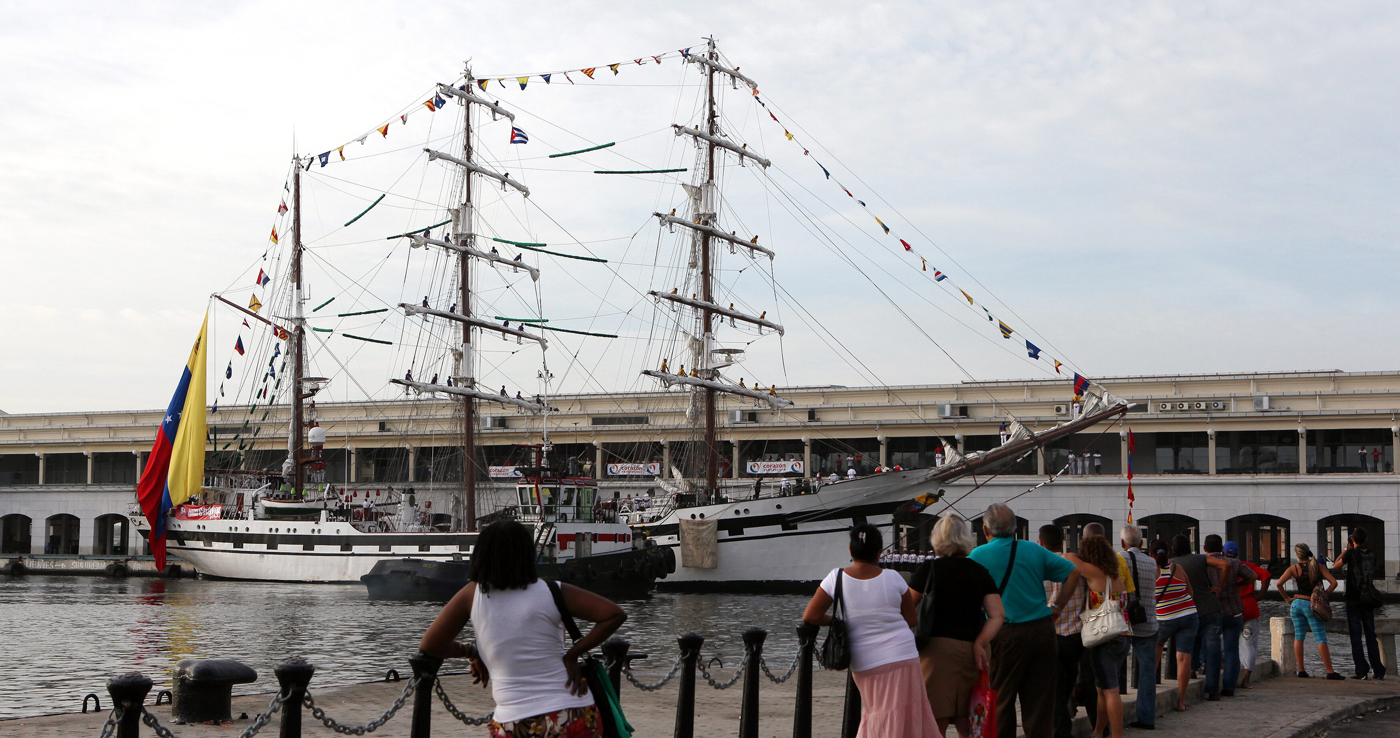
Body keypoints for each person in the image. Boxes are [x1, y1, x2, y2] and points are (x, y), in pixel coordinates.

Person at [418, 520, 627, 738]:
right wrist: (572, 656)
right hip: (572, 714)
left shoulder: (472, 595)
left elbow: (431, 645)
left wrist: (472, 652)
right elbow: (613, 614)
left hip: (514, 721)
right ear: (526, 555)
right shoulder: (552, 590)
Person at [802, 524, 940, 738]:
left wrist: (838, 621)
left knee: (877, 713)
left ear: (850, 550)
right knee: (909, 716)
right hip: (903, 655)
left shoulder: (835, 578)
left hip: (866, 660)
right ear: (879, 553)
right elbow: (911, 619)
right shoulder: (894, 578)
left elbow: (810, 616)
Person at [969, 503, 1076, 738]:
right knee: (1039, 705)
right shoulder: (1032, 550)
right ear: (1015, 529)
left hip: (1004, 636)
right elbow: (1072, 572)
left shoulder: (977, 556)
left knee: (1000, 702)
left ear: (986, 531)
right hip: (1041, 632)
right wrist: (1057, 607)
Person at [912, 514, 1005, 737]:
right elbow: (997, 615)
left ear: (937, 539)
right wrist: (981, 643)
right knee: (970, 717)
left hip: (936, 651)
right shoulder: (979, 571)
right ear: (966, 538)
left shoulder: (929, 570)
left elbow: (905, 608)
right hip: (974, 651)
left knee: (936, 720)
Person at [1061, 534, 1129, 738]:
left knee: (1110, 691)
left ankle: (1117, 735)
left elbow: (1068, 558)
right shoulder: (1115, 576)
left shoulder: (1096, 573)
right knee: (1102, 688)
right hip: (1123, 636)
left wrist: (1075, 552)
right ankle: (1098, 730)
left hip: (1104, 638)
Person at [1039, 525, 1090, 738]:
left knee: (1054, 694)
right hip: (1076, 637)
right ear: (1062, 542)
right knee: (1066, 683)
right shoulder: (1075, 567)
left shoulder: (1038, 569)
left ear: (1040, 543)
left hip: (1051, 636)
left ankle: (1062, 732)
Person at [1168, 535, 1230, 697]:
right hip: (1210, 607)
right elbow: (1226, 564)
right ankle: (1212, 690)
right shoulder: (1201, 559)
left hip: (1189, 610)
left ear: (1173, 548)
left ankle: (1192, 671)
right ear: (1189, 546)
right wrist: (1219, 586)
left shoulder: (1172, 564)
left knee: (1190, 644)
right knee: (1213, 649)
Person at [1275, 542, 1343, 679]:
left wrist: (1288, 599)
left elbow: (1278, 584)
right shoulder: (1318, 567)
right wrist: (1323, 596)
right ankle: (1330, 671)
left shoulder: (1294, 568)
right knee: (1320, 638)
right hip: (1311, 605)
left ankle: (1301, 670)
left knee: (1299, 636)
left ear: (1297, 555)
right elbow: (1334, 583)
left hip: (1296, 604)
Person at [1203, 534, 1256, 697]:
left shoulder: (1202, 563)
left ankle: (1211, 688)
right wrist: (1237, 584)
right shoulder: (1234, 563)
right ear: (1221, 549)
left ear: (1204, 549)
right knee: (1232, 649)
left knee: (1213, 650)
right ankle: (1229, 687)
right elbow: (1253, 576)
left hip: (1212, 611)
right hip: (1233, 611)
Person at [1331, 528, 1386, 681]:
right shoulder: (1372, 554)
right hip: (1368, 598)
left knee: (1356, 636)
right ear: (1366, 539)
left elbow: (1336, 566)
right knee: (1370, 635)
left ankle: (1362, 670)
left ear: (1352, 540)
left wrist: (1346, 550)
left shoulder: (1351, 553)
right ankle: (1378, 669)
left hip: (1353, 598)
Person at [1151, 539, 1198, 713]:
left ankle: (1149, 695)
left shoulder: (1151, 572)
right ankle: (1181, 701)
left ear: (1151, 555)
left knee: (1155, 652)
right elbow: (1191, 593)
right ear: (1168, 554)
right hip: (1188, 615)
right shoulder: (1178, 569)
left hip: (1164, 618)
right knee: (1184, 658)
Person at [1120, 526, 1158, 730]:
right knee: (1147, 671)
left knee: (1114, 668)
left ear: (1122, 543)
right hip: (1148, 619)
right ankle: (1146, 717)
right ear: (1142, 544)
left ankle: (1113, 716)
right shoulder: (1151, 562)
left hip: (1123, 620)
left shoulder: (1118, 558)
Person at [1227, 541, 1272, 688]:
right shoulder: (1247, 566)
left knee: (1227, 644)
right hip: (1249, 608)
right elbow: (1266, 576)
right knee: (1249, 644)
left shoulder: (1221, 566)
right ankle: (1246, 679)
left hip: (1230, 609)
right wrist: (1260, 596)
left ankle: (1227, 677)